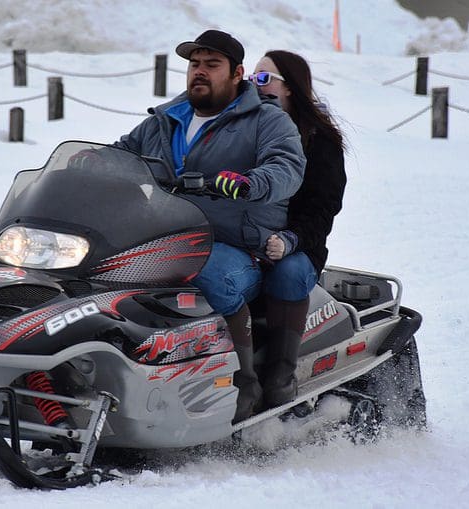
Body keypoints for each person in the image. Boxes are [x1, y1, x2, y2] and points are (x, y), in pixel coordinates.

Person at [114, 30, 306, 423]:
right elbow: (121, 154)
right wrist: (86, 164)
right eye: (194, 64)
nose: (199, 72)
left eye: (212, 65)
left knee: (207, 272)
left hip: (240, 246)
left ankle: (243, 383)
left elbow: (286, 168)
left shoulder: (267, 120)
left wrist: (250, 183)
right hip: (168, 237)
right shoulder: (165, 120)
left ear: (237, 73)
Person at [248, 50, 347, 407]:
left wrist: (290, 240)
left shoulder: (320, 141)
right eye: (250, 79)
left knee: (288, 274)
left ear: (291, 88)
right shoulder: (243, 129)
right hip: (242, 238)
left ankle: (279, 376)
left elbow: (323, 209)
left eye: (264, 79)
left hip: (298, 246)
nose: (255, 87)